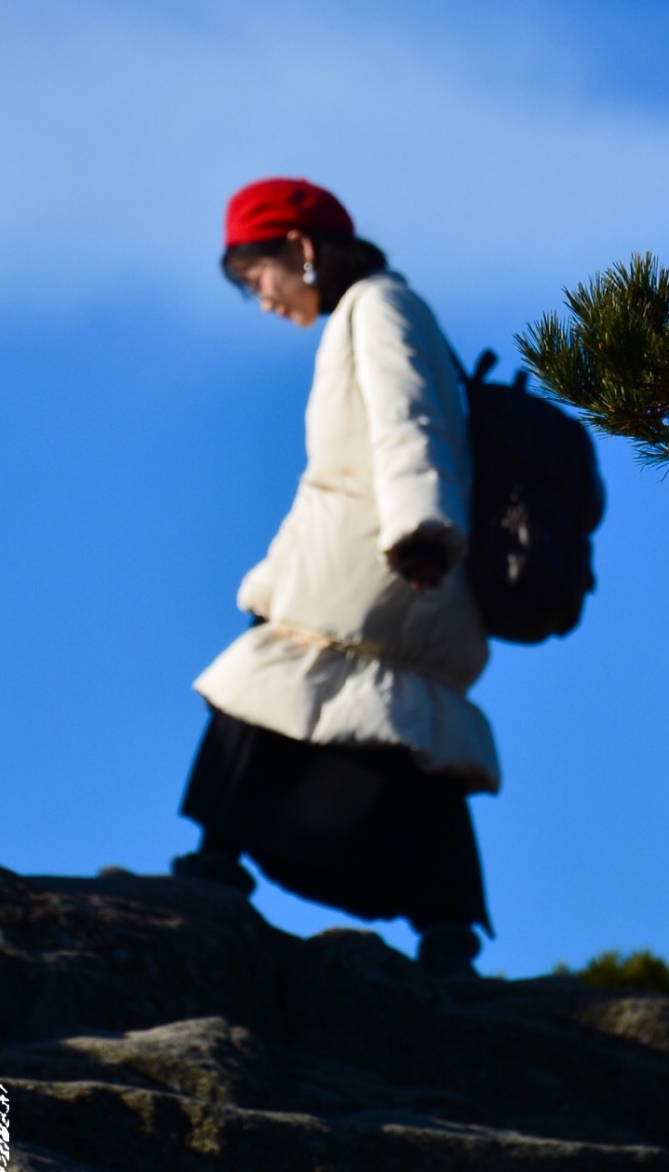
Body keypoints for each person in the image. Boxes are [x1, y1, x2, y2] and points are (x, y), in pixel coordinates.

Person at [172, 177, 498, 978]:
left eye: (258, 277)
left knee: (271, 674)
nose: (263, 299)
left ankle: (215, 860)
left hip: (376, 555)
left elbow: (408, 418)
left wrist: (422, 530)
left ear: (301, 247)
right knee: (399, 737)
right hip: (386, 554)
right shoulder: (379, 307)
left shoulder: (377, 307)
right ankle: (447, 926)